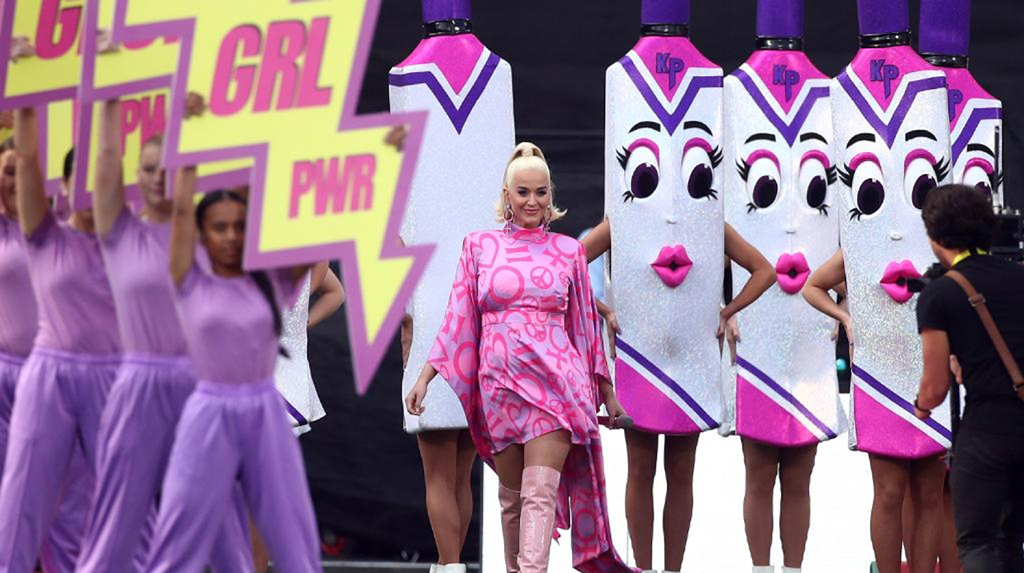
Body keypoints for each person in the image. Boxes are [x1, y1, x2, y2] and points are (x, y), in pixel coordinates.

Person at [406, 143, 632, 573]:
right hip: (500, 388)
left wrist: (607, 392)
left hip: (557, 386)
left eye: (541, 192)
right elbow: (459, 316)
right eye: (523, 192)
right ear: (507, 196)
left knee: (539, 495)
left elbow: (585, 327)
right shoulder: (479, 246)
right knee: (512, 499)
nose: (533, 201)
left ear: (551, 196)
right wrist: (425, 377)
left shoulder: (569, 251)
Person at [75, 98, 253, 573]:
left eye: (167, 168)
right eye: (149, 169)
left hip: (202, 384)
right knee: (115, 520)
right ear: (137, 175)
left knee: (222, 521)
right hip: (136, 387)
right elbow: (106, 160)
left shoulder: (207, 235)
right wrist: (110, 102)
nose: (158, 177)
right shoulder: (118, 230)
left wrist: (200, 123)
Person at [142, 153, 321, 571]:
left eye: (239, 227)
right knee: (181, 533)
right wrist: (188, 150)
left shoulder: (271, 279)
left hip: (265, 410)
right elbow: (182, 210)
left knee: (292, 537)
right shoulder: (186, 277)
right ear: (201, 234)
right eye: (219, 227)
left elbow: (314, 230)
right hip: (206, 411)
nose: (230, 236)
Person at [580, 216, 774, 573]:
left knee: (681, 470)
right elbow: (567, 266)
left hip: (691, 358)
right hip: (638, 353)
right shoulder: (625, 216)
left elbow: (765, 270)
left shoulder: (708, 218)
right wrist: (604, 311)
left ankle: (672, 570)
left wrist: (727, 311)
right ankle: (643, 568)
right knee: (640, 468)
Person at [0, 98, 115, 573]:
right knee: (14, 507)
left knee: (71, 512)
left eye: (15, 172)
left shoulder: (56, 230)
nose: (11, 179)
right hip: (6, 379)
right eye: (3, 171)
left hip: (62, 378)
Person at [803, 250, 948, 573]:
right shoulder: (863, 239)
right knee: (888, 491)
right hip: (878, 377)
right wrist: (845, 317)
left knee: (929, 493)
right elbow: (812, 286)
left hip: (930, 369)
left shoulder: (937, 238)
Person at [913, 184, 1024, 573]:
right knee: (1012, 541)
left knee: (977, 542)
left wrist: (920, 406)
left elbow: (936, 386)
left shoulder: (939, 295)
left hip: (986, 433)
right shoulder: (1018, 275)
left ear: (935, 236)